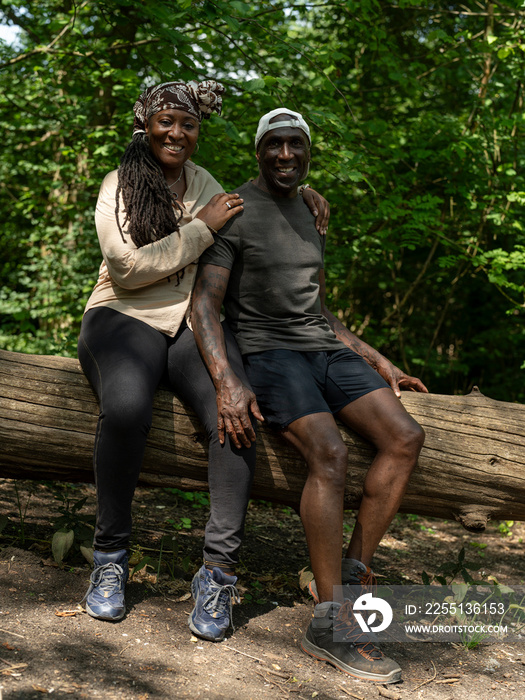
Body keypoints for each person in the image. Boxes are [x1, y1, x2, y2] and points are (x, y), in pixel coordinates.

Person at [77, 83, 329, 642]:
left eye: (188, 125)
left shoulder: (207, 185)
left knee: (235, 416)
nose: (177, 134)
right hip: (123, 317)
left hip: (192, 325)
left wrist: (302, 195)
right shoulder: (119, 184)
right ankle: (110, 557)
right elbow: (126, 268)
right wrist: (202, 227)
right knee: (124, 407)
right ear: (146, 124)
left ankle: (217, 572)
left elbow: (259, 201)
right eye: (167, 122)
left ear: (197, 133)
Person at [191, 108, 428, 683]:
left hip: (325, 349)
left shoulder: (312, 210)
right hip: (270, 356)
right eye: (274, 145)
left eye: (296, 145)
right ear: (258, 152)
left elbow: (316, 310)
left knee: (405, 436)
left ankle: (354, 573)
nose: (285, 155)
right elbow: (204, 306)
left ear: (309, 152)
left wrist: (379, 359)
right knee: (331, 453)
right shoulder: (236, 214)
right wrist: (227, 381)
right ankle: (329, 624)